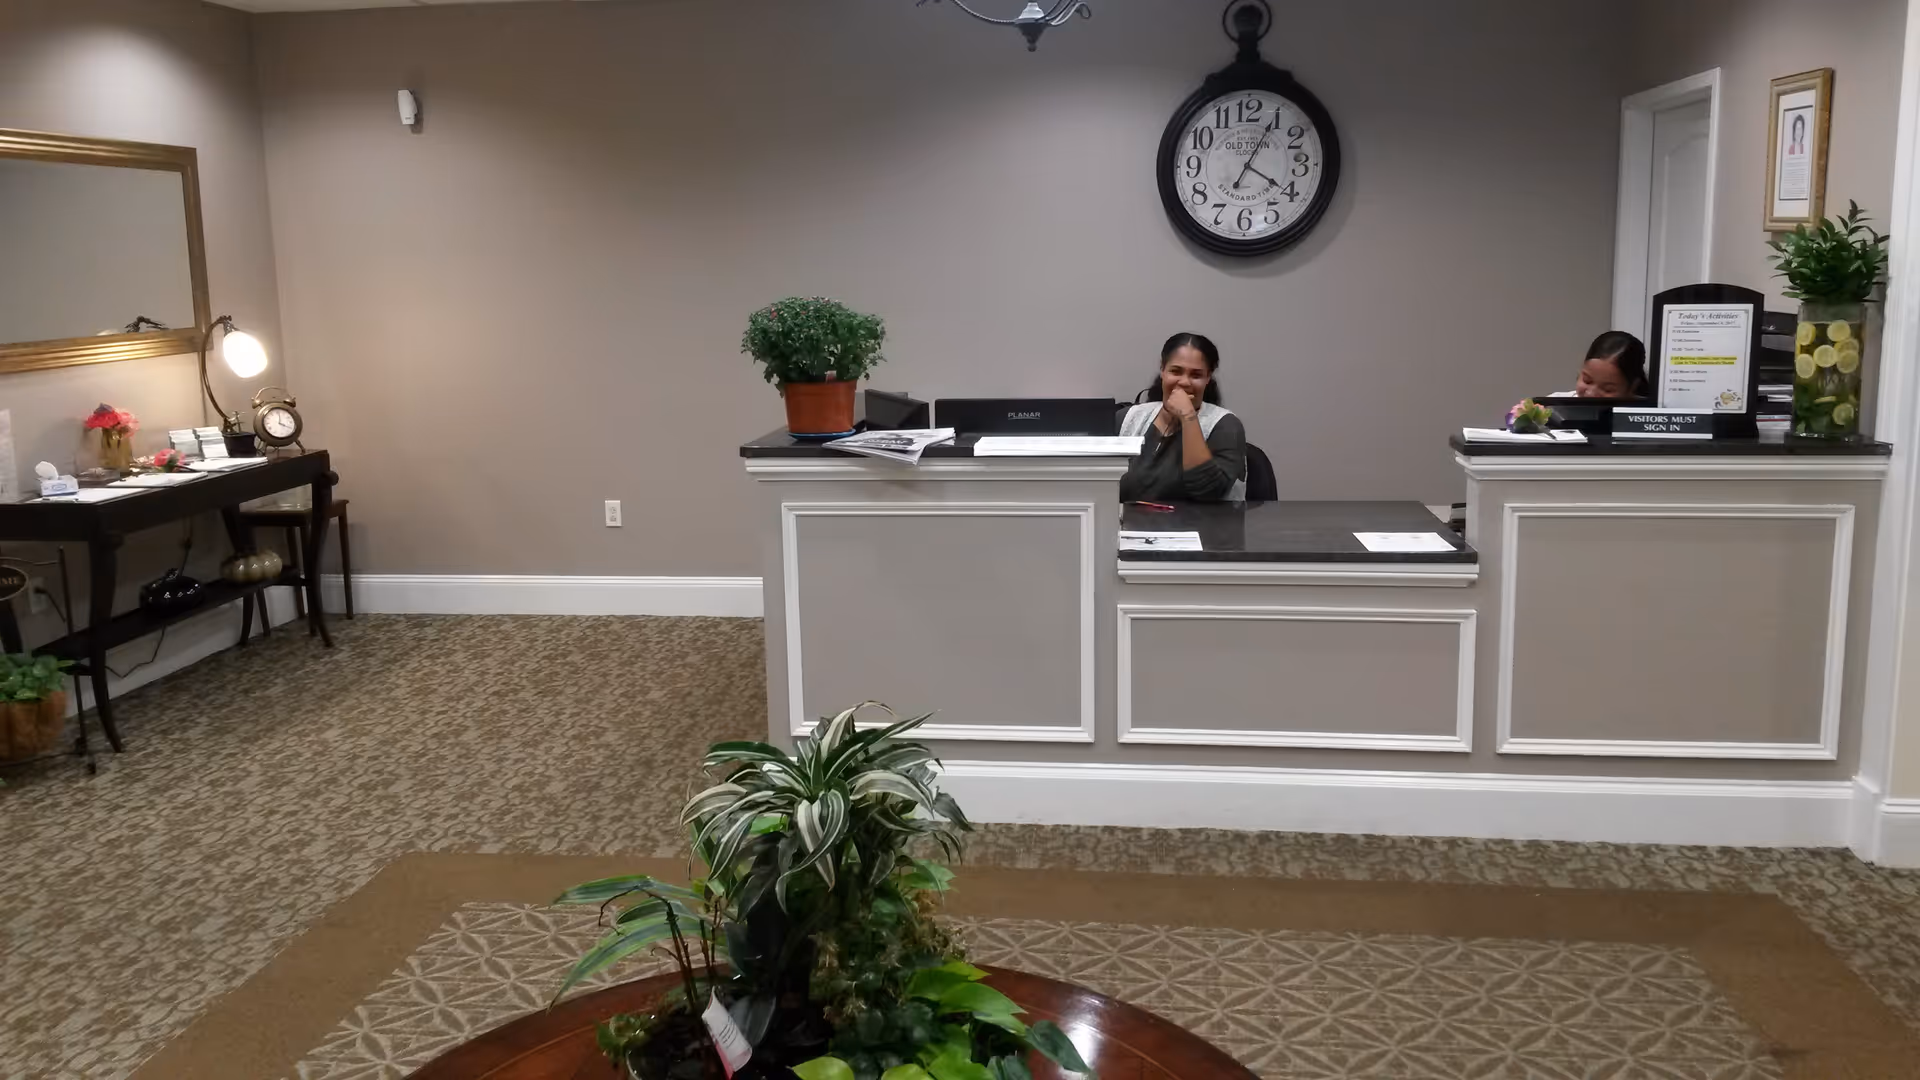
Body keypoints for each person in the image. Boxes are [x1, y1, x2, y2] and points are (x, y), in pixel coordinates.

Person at [1118, 333, 1247, 502]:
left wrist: (1188, 417)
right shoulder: (1127, 418)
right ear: (1162, 370)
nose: (1184, 382)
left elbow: (1208, 492)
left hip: (1204, 527)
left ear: (1208, 377)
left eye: (1196, 375)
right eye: (1175, 371)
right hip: (1132, 525)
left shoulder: (1226, 425)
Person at [1567, 330, 1649, 399]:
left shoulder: (1644, 414)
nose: (1591, 394)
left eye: (1607, 390)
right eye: (1587, 381)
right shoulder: (1556, 405)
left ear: (1632, 387)